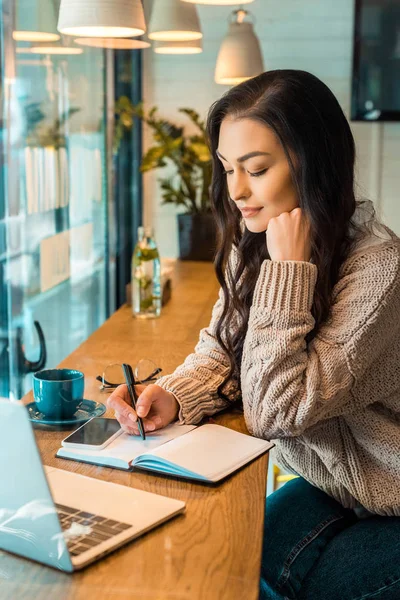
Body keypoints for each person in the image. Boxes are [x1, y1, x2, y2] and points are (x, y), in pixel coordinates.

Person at [108, 70, 400, 599]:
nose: (236, 190)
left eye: (257, 169)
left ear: (315, 163)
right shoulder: (255, 240)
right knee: (240, 556)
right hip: (334, 486)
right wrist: (173, 395)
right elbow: (222, 349)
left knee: (298, 585)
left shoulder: (379, 269)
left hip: (392, 497)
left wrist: (289, 271)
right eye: (226, 169)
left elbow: (277, 410)